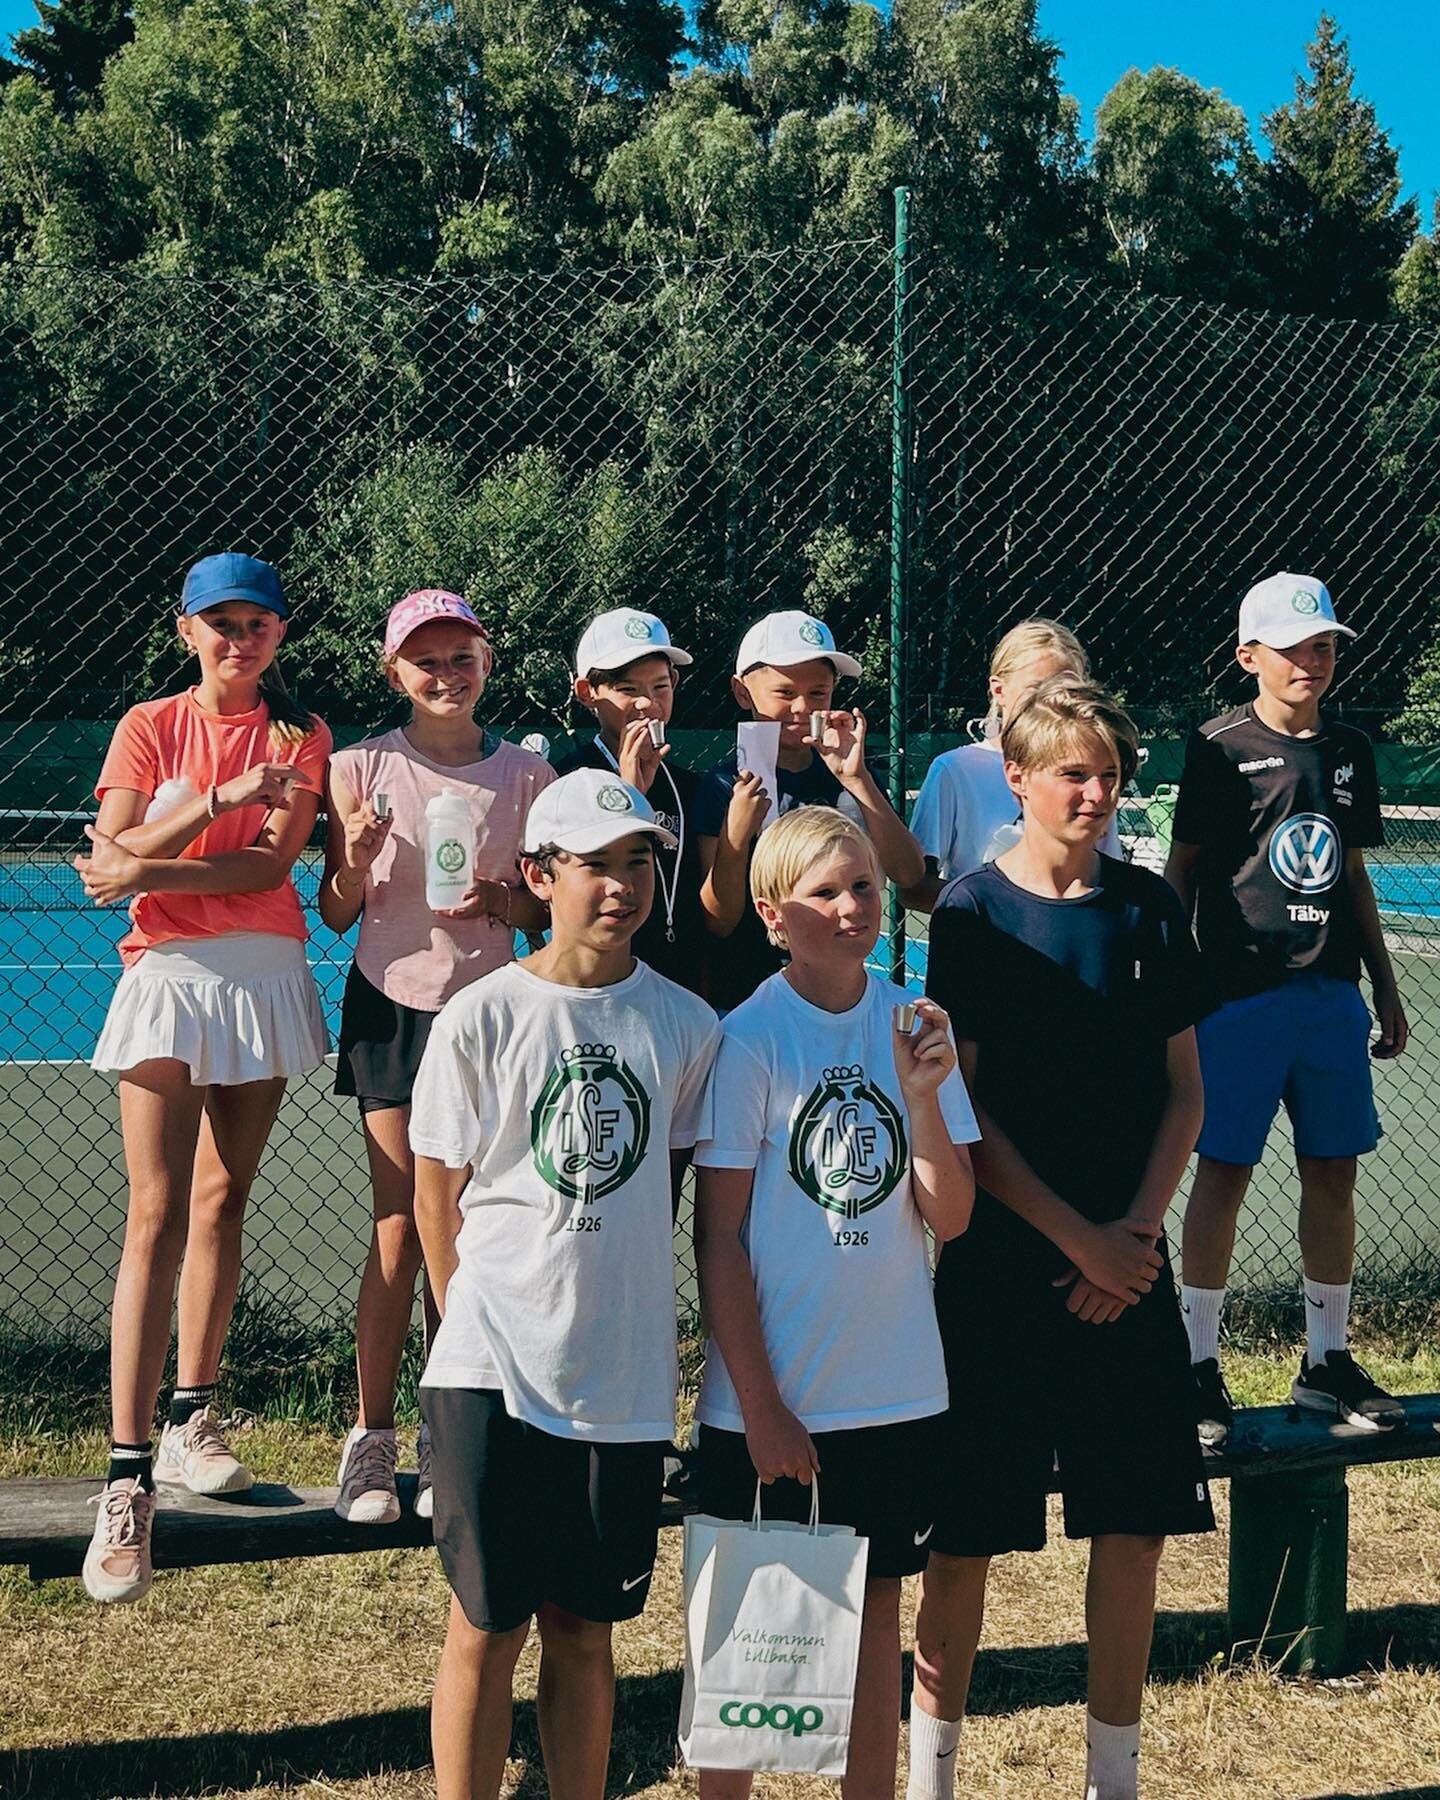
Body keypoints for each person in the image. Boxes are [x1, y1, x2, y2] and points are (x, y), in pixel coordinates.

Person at [912, 677, 1213, 1800]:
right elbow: (963, 1115)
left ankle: (1113, 1780)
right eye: (1071, 773)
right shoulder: (973, 915)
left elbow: (1185, 1091)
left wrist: (1130, 1236)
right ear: (1020, 779)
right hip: (1000, 1273)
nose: (1094, 792)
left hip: (1129, 1270)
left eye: (1109, 774)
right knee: (965, 1540)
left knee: (1132, 1532)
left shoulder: (1148, 908)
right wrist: (1075, 1242)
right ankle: (933, 1779)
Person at [410, 768, 721, 1800]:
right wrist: (473, 1331)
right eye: (594, 865)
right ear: (540, 876)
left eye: (638, 862)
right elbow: (435, 1197)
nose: (621, 886)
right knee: (487, 1627)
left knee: (585, 1632)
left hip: (621, 1385)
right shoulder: (480, 1016)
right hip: (490, 1372)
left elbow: (673, 1186)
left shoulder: (687, 1025)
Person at [693, 805, 975, 1800]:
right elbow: (717, 1239)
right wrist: (761, 1405)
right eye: (825, 891)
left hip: (892, 1393)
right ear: (774, 916)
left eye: (863, 886)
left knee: (870, 1645)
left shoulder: (914, 1020)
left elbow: (953, 1217)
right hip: (771, 1406)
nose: (853, 907)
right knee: (746, 1664)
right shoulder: (748, 1038)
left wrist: (926, 1098)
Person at [76, 553, 332, 1605]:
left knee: (225, 1201)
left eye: (258, 623)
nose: (242, 639)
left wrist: (141, 865)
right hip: (167, 974)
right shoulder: (148, 723)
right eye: (222, 622)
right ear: (188, 629)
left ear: (279, 633)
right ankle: (126, 1476)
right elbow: (116, 837)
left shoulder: (303, 731)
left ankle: (193, 1417)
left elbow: (266, 869)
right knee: (156, 1212)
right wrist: (216, 797)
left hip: (264, 968)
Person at [322, 589, 555, 1525]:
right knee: (401, 1228)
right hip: (392, 1005)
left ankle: (448, 1438)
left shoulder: (529, 775)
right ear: (395, 674)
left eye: (463, 657)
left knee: (468, 1226)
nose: (447, 675)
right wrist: (358, 854)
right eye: (427, 660)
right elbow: (339, 911)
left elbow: (548, 909)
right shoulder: (359, 766)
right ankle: (371, 1444)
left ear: (487, 663)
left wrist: (505, 903)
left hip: (492, 1016)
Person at [1165, 573, 1408, 1448]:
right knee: (1222, 1176)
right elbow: (1182, 870)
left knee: (1332, 1173)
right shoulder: (1217, 747)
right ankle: (1195, 1367)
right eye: (1295, 646)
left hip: (1329, 1000)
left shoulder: (1349, 750)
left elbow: (1349, 870)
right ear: (1248, 656)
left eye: (1326, 645)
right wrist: (1178, 978)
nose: (1313, 660)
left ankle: (1325, 1362)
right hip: (1237, 1001)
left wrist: (1381, 982)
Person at [693, 610, 923, 1014]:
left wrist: (858, 779)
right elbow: (719, 921)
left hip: (837, 994)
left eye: (818, 693)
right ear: (743, 692)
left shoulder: (847, 773)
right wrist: (736, 834)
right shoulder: (722, 786)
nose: (802, 707)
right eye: (784, 693)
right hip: (745, 996)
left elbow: (908, 874)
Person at [903, 618, 1119, 912]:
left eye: (1066, 690)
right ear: (999, 690)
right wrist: (1004, 908)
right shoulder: (955, 770)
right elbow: (915, 888)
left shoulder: (1092, 777)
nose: (1050, 702)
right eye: (1035, 689)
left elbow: (1110, 876)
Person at [552, 607, 706, 992]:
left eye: (659, 687)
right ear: (587, 693)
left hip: (681, 979)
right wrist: (629, 791)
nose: (646, 703)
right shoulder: (569, 779)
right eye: (628, 690)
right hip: (600, 980)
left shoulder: (688, 783)